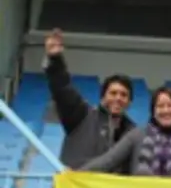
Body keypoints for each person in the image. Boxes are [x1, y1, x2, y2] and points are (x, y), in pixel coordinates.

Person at [44, 29, 135, 173]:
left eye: (124, 95)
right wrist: (55, 60)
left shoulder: (133, 133)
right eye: (113, 93)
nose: (118, 98)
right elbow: (62, 88)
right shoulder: (81, 115)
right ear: (103, 97)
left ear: (129, 102)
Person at [81, 87, 171, 182]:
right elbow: (108, 161)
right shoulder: (137, 135)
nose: (166, 110)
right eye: (160, 106)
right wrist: (78, 172)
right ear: (153, 112)